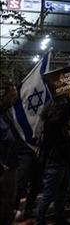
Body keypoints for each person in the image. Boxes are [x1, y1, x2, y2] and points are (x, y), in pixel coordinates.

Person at [33, 92, 70, 225]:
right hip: (56, 161)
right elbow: (61, 119)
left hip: (65, 159)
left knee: (62, 191)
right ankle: (40, 218)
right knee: (50, 192)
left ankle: (59, 217)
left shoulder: (58, 124)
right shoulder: (51, 123)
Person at [1, 83, 20, 225]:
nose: (15, 98)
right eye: (13, 95)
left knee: (9, 202)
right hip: (2, 168)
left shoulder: (8, 112)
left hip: (12, 164)